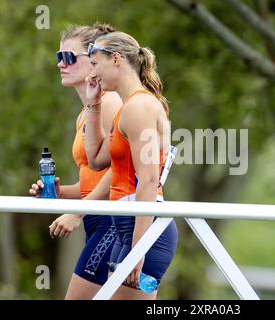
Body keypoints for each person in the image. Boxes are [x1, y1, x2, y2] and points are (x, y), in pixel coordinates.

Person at [28, 23, 122, 299]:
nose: (61, 64)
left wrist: (77, 212)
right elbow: (93, 178)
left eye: (69, 57)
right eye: (59, 57)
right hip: (100, 220)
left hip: (115, 223)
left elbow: (122, 168)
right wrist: (62, 193)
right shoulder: (85, 114)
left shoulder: (111, 102)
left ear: (94, 61)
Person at [83, 31, 177, 300]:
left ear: (115, 59)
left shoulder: (140, 106)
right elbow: (97, 159)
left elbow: (148, 180)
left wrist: (139, 250)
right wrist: (93, 103)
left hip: (145, 229)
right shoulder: (128, 107)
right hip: (126, 226)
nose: (92, 72)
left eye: (95, 63)